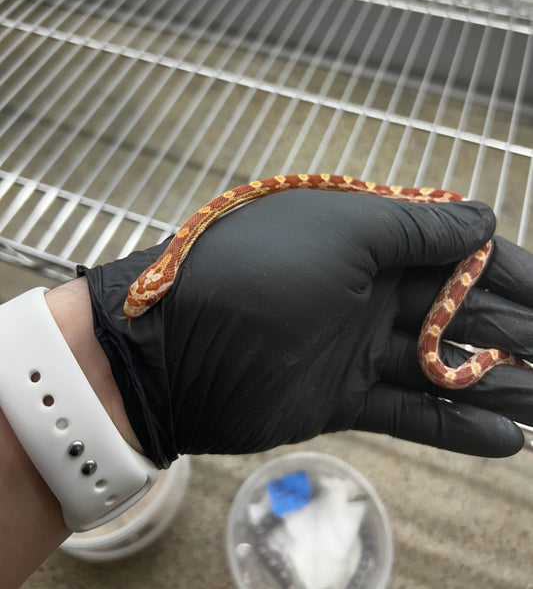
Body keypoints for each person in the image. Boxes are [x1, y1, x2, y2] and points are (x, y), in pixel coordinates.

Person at [2, 190, 533, 587]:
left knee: (442, 364)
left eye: (144, 301)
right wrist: (123, 368)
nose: (137, 307)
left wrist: (101, 361)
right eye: (142, 303)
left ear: (160, 278)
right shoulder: (165, 276)